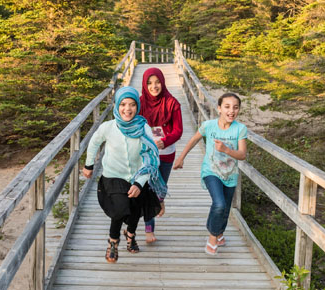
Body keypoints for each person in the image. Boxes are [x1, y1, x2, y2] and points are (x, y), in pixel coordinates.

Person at [82, 87, 168, 263]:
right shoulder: (109, 127)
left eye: (132, 105)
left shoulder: (144, 128)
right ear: (116, 106)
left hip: (138, 176)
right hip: (113, 176)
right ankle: (113, 242)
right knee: (121, 209)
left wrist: (139, 182)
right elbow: (94, 142)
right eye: (122, 104)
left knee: (135, 209)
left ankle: (131, 235)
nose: (127, 109)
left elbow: (152, 158)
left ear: (137, 106)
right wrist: (88, 165)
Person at [173, 92, 247, 255]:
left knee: (225, 209)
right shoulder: (209, 125)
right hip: (211, 171)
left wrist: (226, 150)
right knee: (219, 203)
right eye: (227, 107)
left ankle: (219, 233)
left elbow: (242, 154)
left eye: (235, 107)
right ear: (219, 108)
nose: (231, 111)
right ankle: (212, 237)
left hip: (230, 174)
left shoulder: (240, 129)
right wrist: (181, 158)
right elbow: (193, 140)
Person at [139, 67, 183, 244]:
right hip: (146, 154)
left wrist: (165, 141)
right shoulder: (139, 103)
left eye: (157, 82)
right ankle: (149, 229)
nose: (154, 86)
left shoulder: (172, 103)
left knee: (160, 187)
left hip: (166, 153)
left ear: (162, 82)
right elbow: (132, 123)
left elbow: (178, 130)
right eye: (149, 83)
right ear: (144, 84)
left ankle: (160, 200)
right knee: (148, 188)